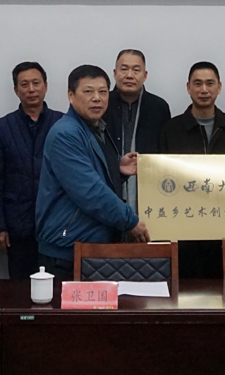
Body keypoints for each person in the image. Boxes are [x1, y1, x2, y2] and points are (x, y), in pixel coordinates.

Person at [36, 65, 150, 281]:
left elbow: (89, 169)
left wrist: (116, 167)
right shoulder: (65, 133)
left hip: (88, 245)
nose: (97, 98)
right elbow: (89, 191)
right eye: (88, 91)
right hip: (66, 250)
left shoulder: (95, 128)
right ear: (70, 95)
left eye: (103, 92)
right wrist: (130, 221)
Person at [160, 61, 225, 279]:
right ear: (188, 87)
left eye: (210, 84)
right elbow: (161, 180)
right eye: (197, 83)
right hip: (182, 228)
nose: (204, 90)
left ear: (219, 87)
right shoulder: (170, 129)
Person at [0, 62, 63, 280]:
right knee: (19, 289)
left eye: (36, 83)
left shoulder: (62, 123)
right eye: (24, 84)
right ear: (16, 90)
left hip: (56, 223)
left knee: (55, 287)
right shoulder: (3, 127)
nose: (31, 89)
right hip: (17, 225)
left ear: (46, 86)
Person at [102, 49, 171, 212]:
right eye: (124, 69)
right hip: (107, 188)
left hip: (149, 191)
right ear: (114, 73)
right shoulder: (102, 104)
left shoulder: (159, 107)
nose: (129, 75)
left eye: (136, 70)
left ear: (145, 75)